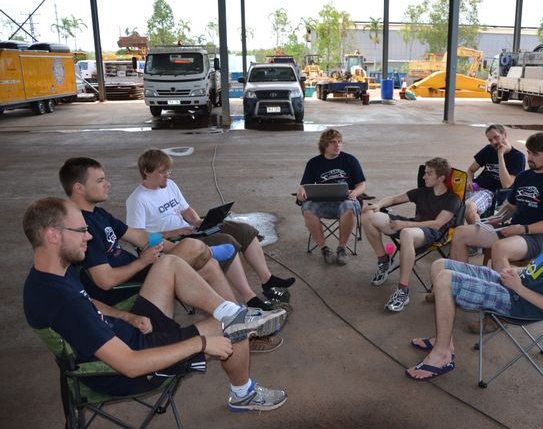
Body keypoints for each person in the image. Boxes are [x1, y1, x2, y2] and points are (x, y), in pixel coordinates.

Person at [23, 197, 288, 411]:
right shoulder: (62, 301)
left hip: (130, 333)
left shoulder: (51, 274)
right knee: (233, 327)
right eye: (81, 230)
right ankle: (243, 393)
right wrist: (202, 344)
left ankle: (231, 310)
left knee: (170, 263)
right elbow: (130, 365)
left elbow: (89, 300)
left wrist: (126, 317)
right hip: (133, 367)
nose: (89, 237)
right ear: (52, 235)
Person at [59, 157, 286, 352]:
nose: (108, 184)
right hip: (128, 287)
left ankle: (241, 325)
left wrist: (170, 247)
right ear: (79, 187)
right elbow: (104, 281)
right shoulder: (79, 228)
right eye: (100, 180)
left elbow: (141, 237)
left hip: (143, 271)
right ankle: (208, 254)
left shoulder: (100, 214)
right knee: (194, 247)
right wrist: (143, 261)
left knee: (208, 265)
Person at [405, 173, 543, 381]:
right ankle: (444, 341)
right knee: (439, 265)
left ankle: (442, 356)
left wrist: (519, 288)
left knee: (445, 280)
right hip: (516, 286)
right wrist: (519, 273)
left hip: (522, 304)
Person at [125, 148, 295, 311]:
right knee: (227, 242)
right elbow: (138, 237)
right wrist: (173, 233)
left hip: (190, 231)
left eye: (169, 172)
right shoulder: (137, 200)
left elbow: (185, 209)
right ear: (146, 171)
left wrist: (198, 221)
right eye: (162, 172)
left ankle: (267, 279)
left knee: (244, 230)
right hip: (173, 244)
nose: (167, 176)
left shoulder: (170, 185)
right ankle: (249, 297)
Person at [450, 132, 543, 272]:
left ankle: (501, 292)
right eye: (528, 152)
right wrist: (494, 218)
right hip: (513, 229)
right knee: (460, 233)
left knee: (500, 248)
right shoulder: (524, 176)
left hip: (538, 237)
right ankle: (458, 279)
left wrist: (524, 229)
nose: (529, 158)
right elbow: (510, 207)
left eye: (535, 154)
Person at [362, 157, 462, 312]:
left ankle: (403, 291)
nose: (424, 177)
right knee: (368, 216)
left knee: (407, 234)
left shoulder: (453, 199)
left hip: (432, 233)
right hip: (413, 226)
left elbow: (437, 224)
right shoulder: (423, 192)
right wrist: (378, 205)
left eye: (428, 173)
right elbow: (395, 198)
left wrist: (405, 225)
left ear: (441, 178)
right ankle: (384, 261)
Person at [296, 128, 366, 265]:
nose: (337, 145)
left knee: (349, 206)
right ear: (324, 145)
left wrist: (354, 193)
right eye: (333, 142)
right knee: (308, 208)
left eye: (339, 142)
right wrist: (301, 192)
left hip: (346, 201)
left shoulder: (350, 160)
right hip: (322, 202)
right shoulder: (314, 163)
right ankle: (324, 249)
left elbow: (362, 185)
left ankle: (342, 249)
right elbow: (304, 185)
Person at [464, 124, 526, 225]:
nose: (494, 142)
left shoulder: (518, 157)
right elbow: (471, 170)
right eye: (490, 140)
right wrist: (469, 181)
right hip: (475, 187)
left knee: (469, 207)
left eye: (496, 137)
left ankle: (479, 236)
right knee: (446, 198)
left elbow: (507, 184)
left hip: (491, 192)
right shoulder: (489, 149)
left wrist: (500, 155)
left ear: (505, 134)